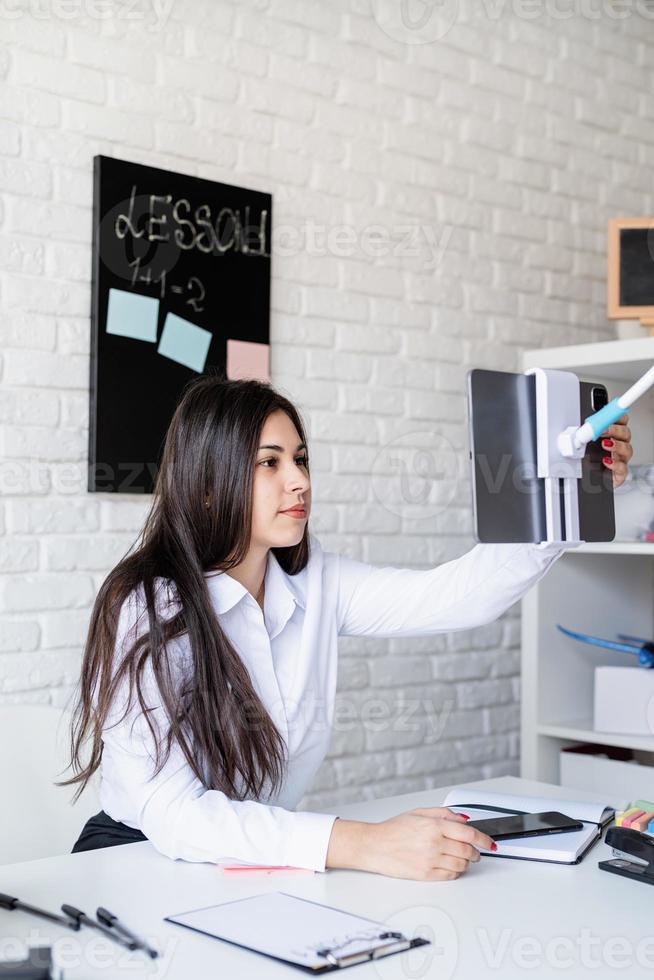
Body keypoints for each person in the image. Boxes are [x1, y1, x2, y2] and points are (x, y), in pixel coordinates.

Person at [64, 376, 633, 881]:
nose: (299, 482)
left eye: (301, 459)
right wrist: (366, 842)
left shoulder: (317, 582)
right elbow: (174, 813)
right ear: (208, 483)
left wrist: (568, 492)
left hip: (252, 860)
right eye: (271, 463)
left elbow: (458, 597)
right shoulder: (150, 604)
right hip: (135, 862)